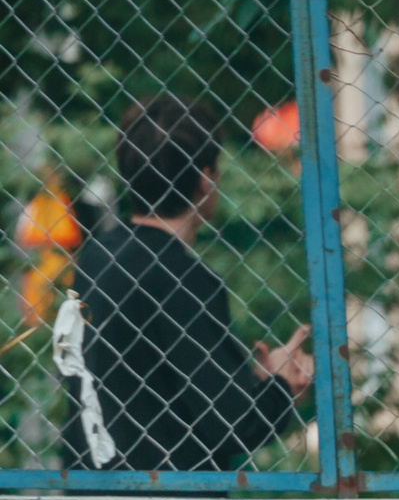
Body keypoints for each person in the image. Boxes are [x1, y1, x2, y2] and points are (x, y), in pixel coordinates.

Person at [60, 97, 313, 474]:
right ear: (206, 180)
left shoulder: (98, 257)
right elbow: (234, 424)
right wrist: (280, 386)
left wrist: (247, 383)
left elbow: (149, 382)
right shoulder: (185, 279)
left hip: (93, 489)